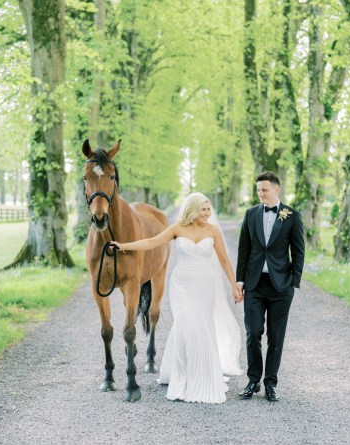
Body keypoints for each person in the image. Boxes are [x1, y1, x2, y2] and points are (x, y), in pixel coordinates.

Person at [110, 193, 242, 404]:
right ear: (192, 209)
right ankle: (182, 375)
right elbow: (152, 242)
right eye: (203, 209)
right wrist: (124, 246)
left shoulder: (213, 231)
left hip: (205, 286)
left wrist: (234, 285)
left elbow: (224, 260)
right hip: (181, 286)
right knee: (185, 324)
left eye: (209, 209)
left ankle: (203, 375)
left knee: (203, 326)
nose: (207, 213)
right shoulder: (177, 229)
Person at [236, 172, 305, 402]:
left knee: (276, 337)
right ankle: (253, 379)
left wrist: (293, 282)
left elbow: (298, 251)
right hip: (254, 285)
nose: (260, 194)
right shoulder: (251, 214)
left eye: (264, 190)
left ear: (276, 189)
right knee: (253, 332)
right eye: (258, 190)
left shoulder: (292, 216)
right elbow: (244, 250)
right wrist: (240, 280)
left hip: (280, 287)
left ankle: (270, 383)